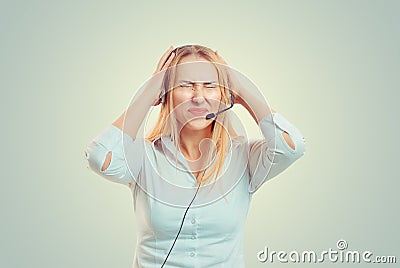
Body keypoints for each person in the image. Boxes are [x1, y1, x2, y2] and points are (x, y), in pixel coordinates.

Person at [85, 44, 306, 268]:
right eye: (186, 85)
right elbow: (99, 157)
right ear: (166, 93)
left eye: (210, 86)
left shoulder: (244, 156)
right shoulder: (143, 157)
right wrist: (148, 93)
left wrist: (242, 89)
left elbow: (292, 147)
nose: (199, 97)